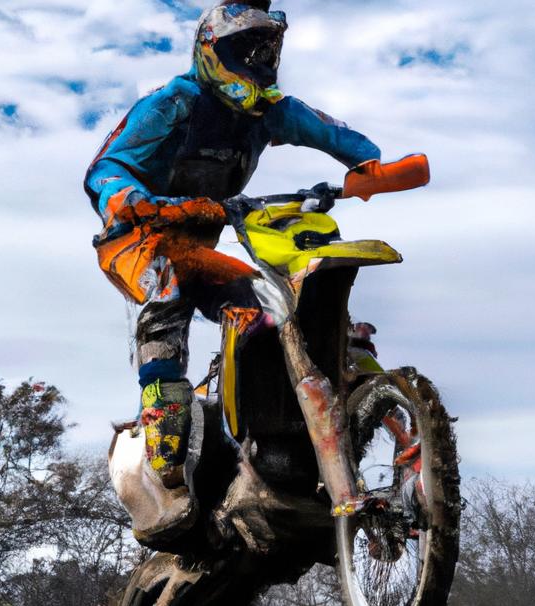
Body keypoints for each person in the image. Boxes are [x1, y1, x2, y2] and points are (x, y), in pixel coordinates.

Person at [84, 1, 382, 486]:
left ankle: (264, 429)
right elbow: (104, 167)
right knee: (168, 289)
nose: (256, 62)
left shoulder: (269, 111)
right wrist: (129, 197)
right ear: (212, 48)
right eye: (244, 49)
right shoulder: (174, 101)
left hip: (203, 237)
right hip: (138, 235)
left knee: (270, 304)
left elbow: (336, 135)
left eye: (265, 51)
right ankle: (166, 437)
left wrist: (370, 168)